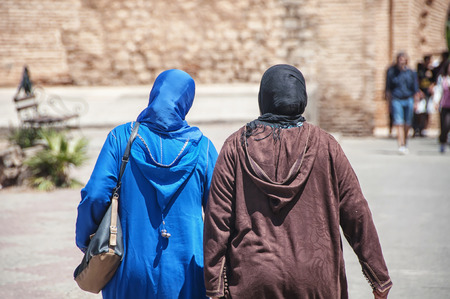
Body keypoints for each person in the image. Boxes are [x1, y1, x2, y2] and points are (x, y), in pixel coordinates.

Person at [203, 64, 392, 299]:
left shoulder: (236, 146)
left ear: (264, 97)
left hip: (254, 277)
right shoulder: (326, 145)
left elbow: (217, 219)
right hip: (317, 277)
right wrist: (378, 277)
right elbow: (356, 212)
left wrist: (214, 286)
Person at [76, 69, 218, 298]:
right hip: (188, 272)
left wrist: (86, 241)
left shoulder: (121, 138)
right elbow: (220, 211)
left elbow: (95, 194)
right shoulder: (204, 148)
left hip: (128, 270)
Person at [385, 52, 420, 154]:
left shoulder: (411, 72)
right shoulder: (391, 72)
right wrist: (388, 103)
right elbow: (388, 89)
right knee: (399, 122)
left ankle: (405, 142)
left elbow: (415, 88)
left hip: (409, 99)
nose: (401, 61)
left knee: (407, 123)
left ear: (406, 60)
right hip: (397, 99)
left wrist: (416, 102)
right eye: (400, 59)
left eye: (403, 59)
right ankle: (401, 144)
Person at [413, 55, 434, 137]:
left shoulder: (431, 71)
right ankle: (417, 128)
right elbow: (417, 81)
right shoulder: (420, 71)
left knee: (427, 111)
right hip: (421, 93)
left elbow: (434, 81)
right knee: (419, 112)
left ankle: (424, 129)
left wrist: (432, 87)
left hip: (428, 94)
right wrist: (419, 91)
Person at [433, 60, 450, 153]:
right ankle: (443, 141)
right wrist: (436, 102)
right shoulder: (443, 79)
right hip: (445, 105)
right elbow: (438, 91)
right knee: (445, 125)